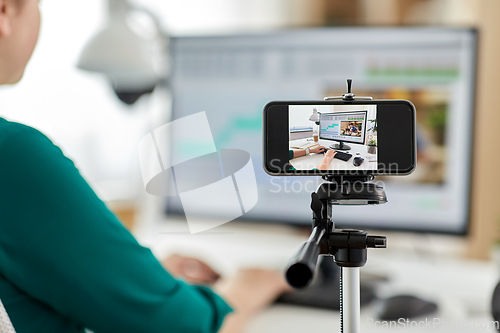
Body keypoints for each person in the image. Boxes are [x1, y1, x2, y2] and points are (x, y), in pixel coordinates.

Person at [0, 0, 289, 332]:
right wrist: (246, 287)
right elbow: (181, 328)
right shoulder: (11, 155)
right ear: (5, 12)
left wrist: (137, 283)